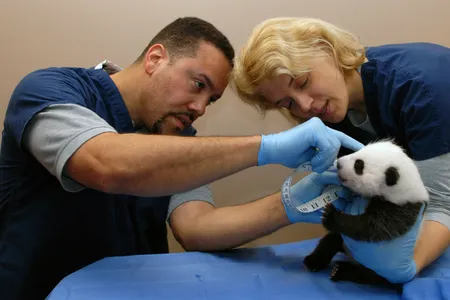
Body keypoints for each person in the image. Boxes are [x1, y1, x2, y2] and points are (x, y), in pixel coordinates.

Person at [0, 17, 363, 300]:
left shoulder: (179, 142)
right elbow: (106, 163)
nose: (200, 108)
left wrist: (290, 204)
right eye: (198, 85)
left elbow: (196, 229)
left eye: (212, 99)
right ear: (156, 58)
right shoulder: (51, 92)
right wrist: (264, 147)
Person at [231, 17, 450, 285]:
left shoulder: (422, 88)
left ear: (325, 47)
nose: (305, 105)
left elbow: (442, 203)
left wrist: (408, 266)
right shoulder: (332, 116)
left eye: (301, 82)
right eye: (287, 102)